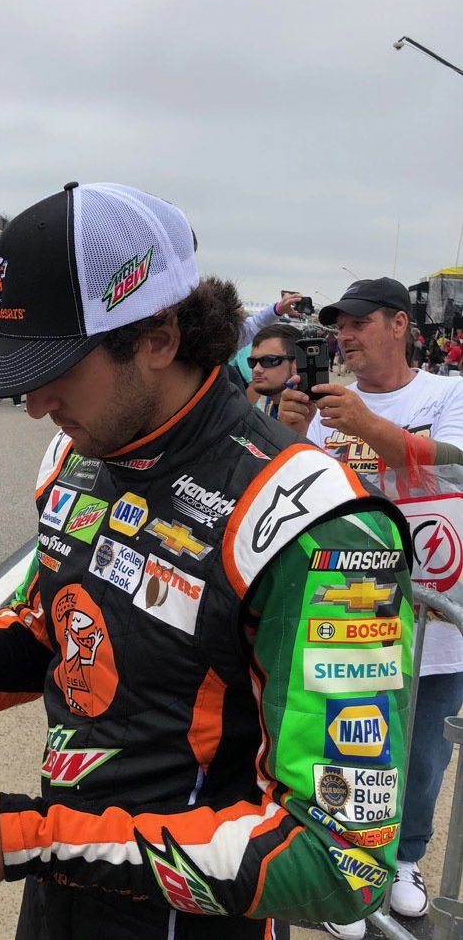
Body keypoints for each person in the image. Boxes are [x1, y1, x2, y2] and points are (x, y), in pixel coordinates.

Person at [0, 183, 414, 939]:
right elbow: (47, 629)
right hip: (57, 890)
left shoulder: (324, 529)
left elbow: (341, 861)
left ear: (157, 338)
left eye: (54, 365)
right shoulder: (73, 454)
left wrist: (28, 840)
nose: (31, 403)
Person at [278, 276, 463, 938]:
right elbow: (299, 504)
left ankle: (405, 860)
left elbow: (454, 467)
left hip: (436, 610)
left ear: (398, 325)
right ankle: (347, 870)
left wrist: (370, 427)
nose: (345, 336)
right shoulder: (330, 408)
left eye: (357, 322)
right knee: (346, 744)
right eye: (338, 327)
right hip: (352, 606)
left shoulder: (447, 392)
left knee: (422, 757)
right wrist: (288, 440)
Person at [246, 324, 300, 418]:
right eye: (252, 361)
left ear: (296, 365)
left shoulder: (318, 420)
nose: (256, 369)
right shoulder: (271, 402)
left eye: (269, 360)